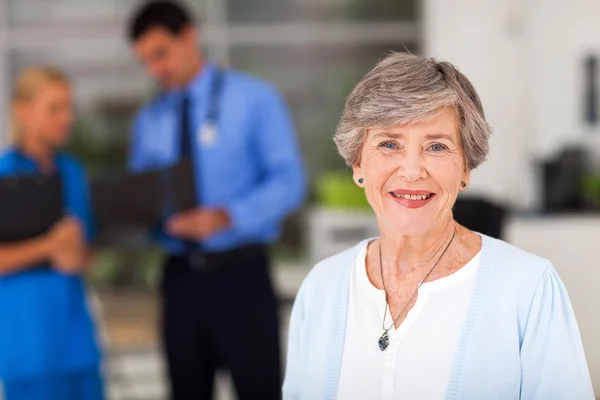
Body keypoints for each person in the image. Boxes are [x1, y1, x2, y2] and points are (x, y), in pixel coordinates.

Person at [283, 52, 595, 400]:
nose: (413, 170)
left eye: (436, 146)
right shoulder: (321, 289)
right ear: (357, 162)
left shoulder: (529, 289)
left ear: (465, 168)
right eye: (389, 144)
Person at [126, 2, 306, 399]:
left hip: (240, 273)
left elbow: (289, 181)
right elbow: (141, 194)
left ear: (189, 37)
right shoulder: (149, 120)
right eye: (145, 61)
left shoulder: (255, 99)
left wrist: (228, 216)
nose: (156, 70)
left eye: (160, 54)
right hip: (179, 279)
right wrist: (142, 220)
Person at [0, 67, 103, 399]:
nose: (66, 118)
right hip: (29, 348)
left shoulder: (73, 172)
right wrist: (47, 247)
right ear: (22, 109)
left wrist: (79, 254)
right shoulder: (4, 174)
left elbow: (86, 253)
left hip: (78, 345)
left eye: (70, 108)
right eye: (55, 108)